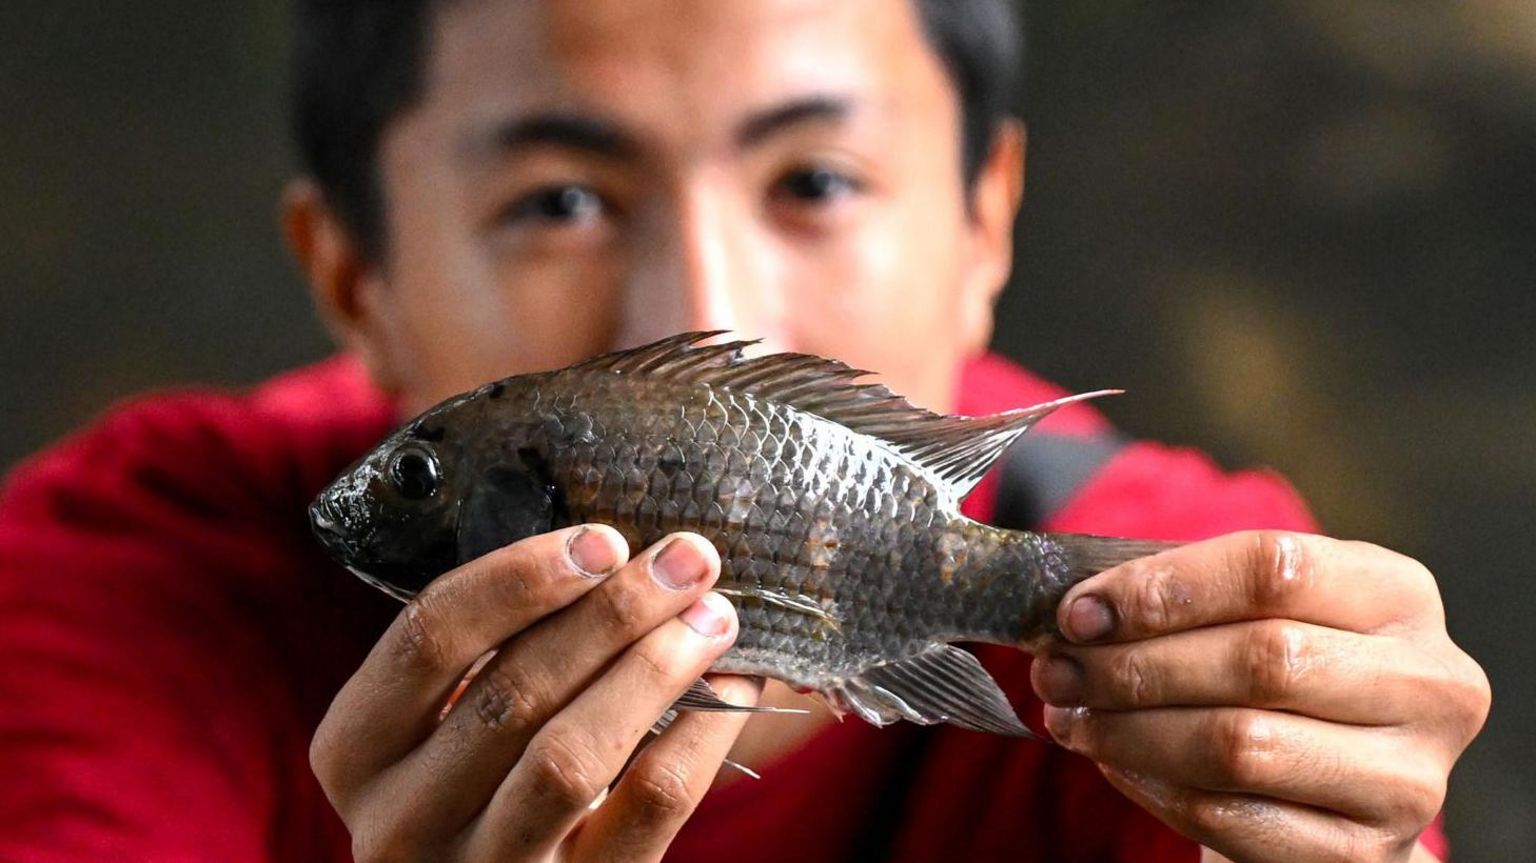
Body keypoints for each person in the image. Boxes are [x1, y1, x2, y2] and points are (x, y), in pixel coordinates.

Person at [0, 1, 1488, 861]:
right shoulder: (123, 569)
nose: (713, 307)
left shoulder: (1184, 608)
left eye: (817, 182)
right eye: (559, 201)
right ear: (352, 275)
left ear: (988, 220)